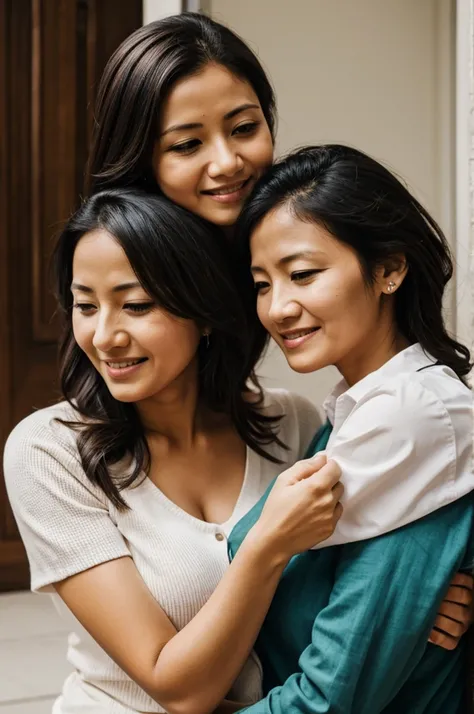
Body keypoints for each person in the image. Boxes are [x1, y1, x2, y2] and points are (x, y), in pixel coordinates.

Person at [86, 11, 472, 647]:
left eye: (244, 127)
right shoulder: (64, 443)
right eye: (187, 144)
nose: (228, 162)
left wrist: (420, 580)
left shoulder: (310, 417)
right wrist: (397, 593)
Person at [5, 189, 344, 714]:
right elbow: (179, 690)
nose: (105, 336)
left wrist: (425, 601)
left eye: (136, 305)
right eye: (85, 305)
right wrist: (266, 546)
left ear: (204, 312)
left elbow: (351, 582)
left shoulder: (293, 425)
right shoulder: (49, 451)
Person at [226, 144, 474, 713]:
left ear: (388, 269)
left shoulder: (412, 422)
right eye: (262, 284)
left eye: (303, 274)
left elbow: (326, 701)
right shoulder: (354, 414)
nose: (278, 307)